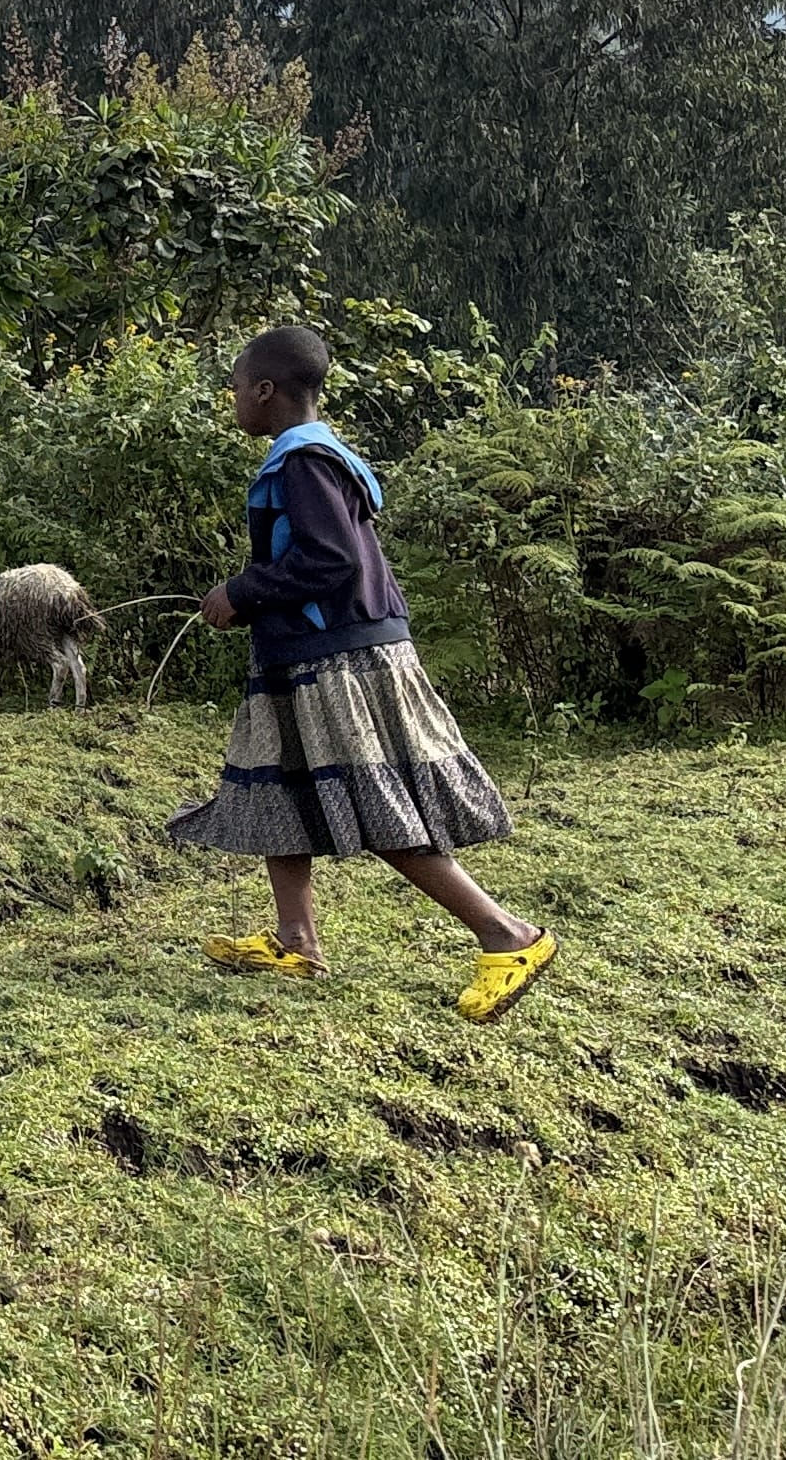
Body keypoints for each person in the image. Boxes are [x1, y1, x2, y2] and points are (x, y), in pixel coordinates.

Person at [168, 323, 557, 1021]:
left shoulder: (302, 462)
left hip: (337, 660)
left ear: (264, 390)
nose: (231, 400)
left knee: (375, 806)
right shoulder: (314, 456)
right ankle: (297, 941)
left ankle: (508, 936)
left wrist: (243, 592)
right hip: (307, 655)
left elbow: (331, 560)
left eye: (234, 388)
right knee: (279, 786)